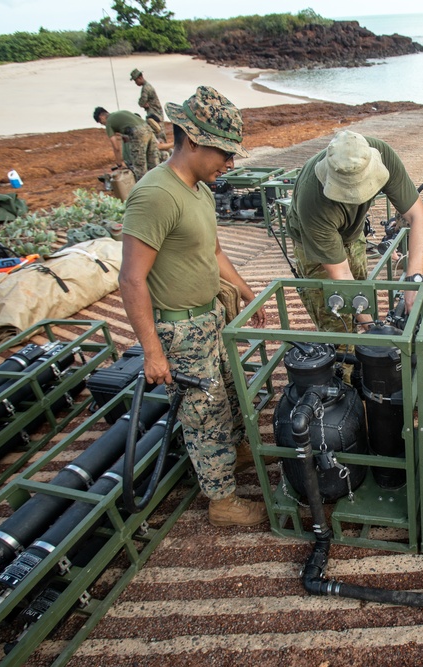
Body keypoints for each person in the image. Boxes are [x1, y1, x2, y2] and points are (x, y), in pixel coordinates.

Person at [118, 86, 269, 528]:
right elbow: (131, 278)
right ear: (192, 140)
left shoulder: (200, 188)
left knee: (227, 392)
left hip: (210, 315)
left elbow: (213, 249)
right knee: (203, 413)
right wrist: (152, 351)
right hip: (179, 329)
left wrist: (241, 290)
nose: (230, 164)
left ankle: (233, 452)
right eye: (224, 152)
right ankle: (221, 499)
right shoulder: (155, 196)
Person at [287, 130, 423, 332]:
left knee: (362, 295)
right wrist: (374, 330)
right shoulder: (312, 201)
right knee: (338, 319)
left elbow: (418, 217)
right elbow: (340, 273)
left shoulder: (382, 154)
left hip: (353, 233)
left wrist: (413, 281)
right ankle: (345, 356)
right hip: (313, 243)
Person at [93, 106, 160, 181]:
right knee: (153, 163)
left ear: (101, 116)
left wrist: (119, 164)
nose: (102, 124)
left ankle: (144, 189)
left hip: (138, 133)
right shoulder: (121, 113)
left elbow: (116, 147)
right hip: (148, 130)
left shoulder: (109, 122)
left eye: (100, 122)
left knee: (139, 168)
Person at [130, 68, 171, 155]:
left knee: (158, 135)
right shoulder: (148, 86)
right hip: (156, 113)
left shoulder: (146, 88)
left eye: (135, 80)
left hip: (154, 114)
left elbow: (142, 102)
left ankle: (164, 155)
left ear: (140, 77)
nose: (135, 83)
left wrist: (143, 103)